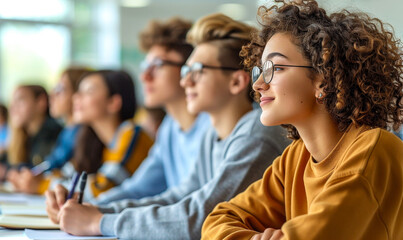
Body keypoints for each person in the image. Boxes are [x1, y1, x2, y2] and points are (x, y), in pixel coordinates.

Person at [46, 13, 291, 239]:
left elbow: (201, 217)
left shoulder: (255, 135)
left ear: (237, 82)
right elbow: (178, 196)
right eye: (186, 70)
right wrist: (96, 209)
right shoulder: (210, 135)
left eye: (197, 71)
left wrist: (99, 222)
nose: (185, 80)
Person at [201, 1, 403, 239]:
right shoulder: (295, 158)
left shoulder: (373, 150)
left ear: (323, 79)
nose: (258, 85)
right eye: (260, 70)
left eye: (274, 68)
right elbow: (217, 220)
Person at [88, 17, 211, 205]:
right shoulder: (170, 127)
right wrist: (90, 207)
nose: (145, 76)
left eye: (158, 65)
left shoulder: (213, 125)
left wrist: (98, 216)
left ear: (189, 68)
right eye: (146, 66)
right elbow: (138, 189)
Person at [49, 70, 154, 202]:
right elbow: (66, 174)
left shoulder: (131, 132)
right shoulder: (94, 140)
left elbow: (104, 187)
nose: (76, 97)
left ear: (113, 103)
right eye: (78, 91)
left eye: (88, 92)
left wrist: (43, 186)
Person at [8, 67, 91, 194]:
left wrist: (39, 183)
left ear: (77, 95)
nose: (52, 95)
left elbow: (62, 171)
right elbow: (50, 165)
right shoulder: (67, 133)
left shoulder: (79, 134)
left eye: (60, 89)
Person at [2, 85, 62, 180]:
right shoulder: (24, 136)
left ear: (41, 102)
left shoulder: (53, 133)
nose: (13, 107)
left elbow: (40, 169)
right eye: (12, 102)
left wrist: (7, 172)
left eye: (20, 100)